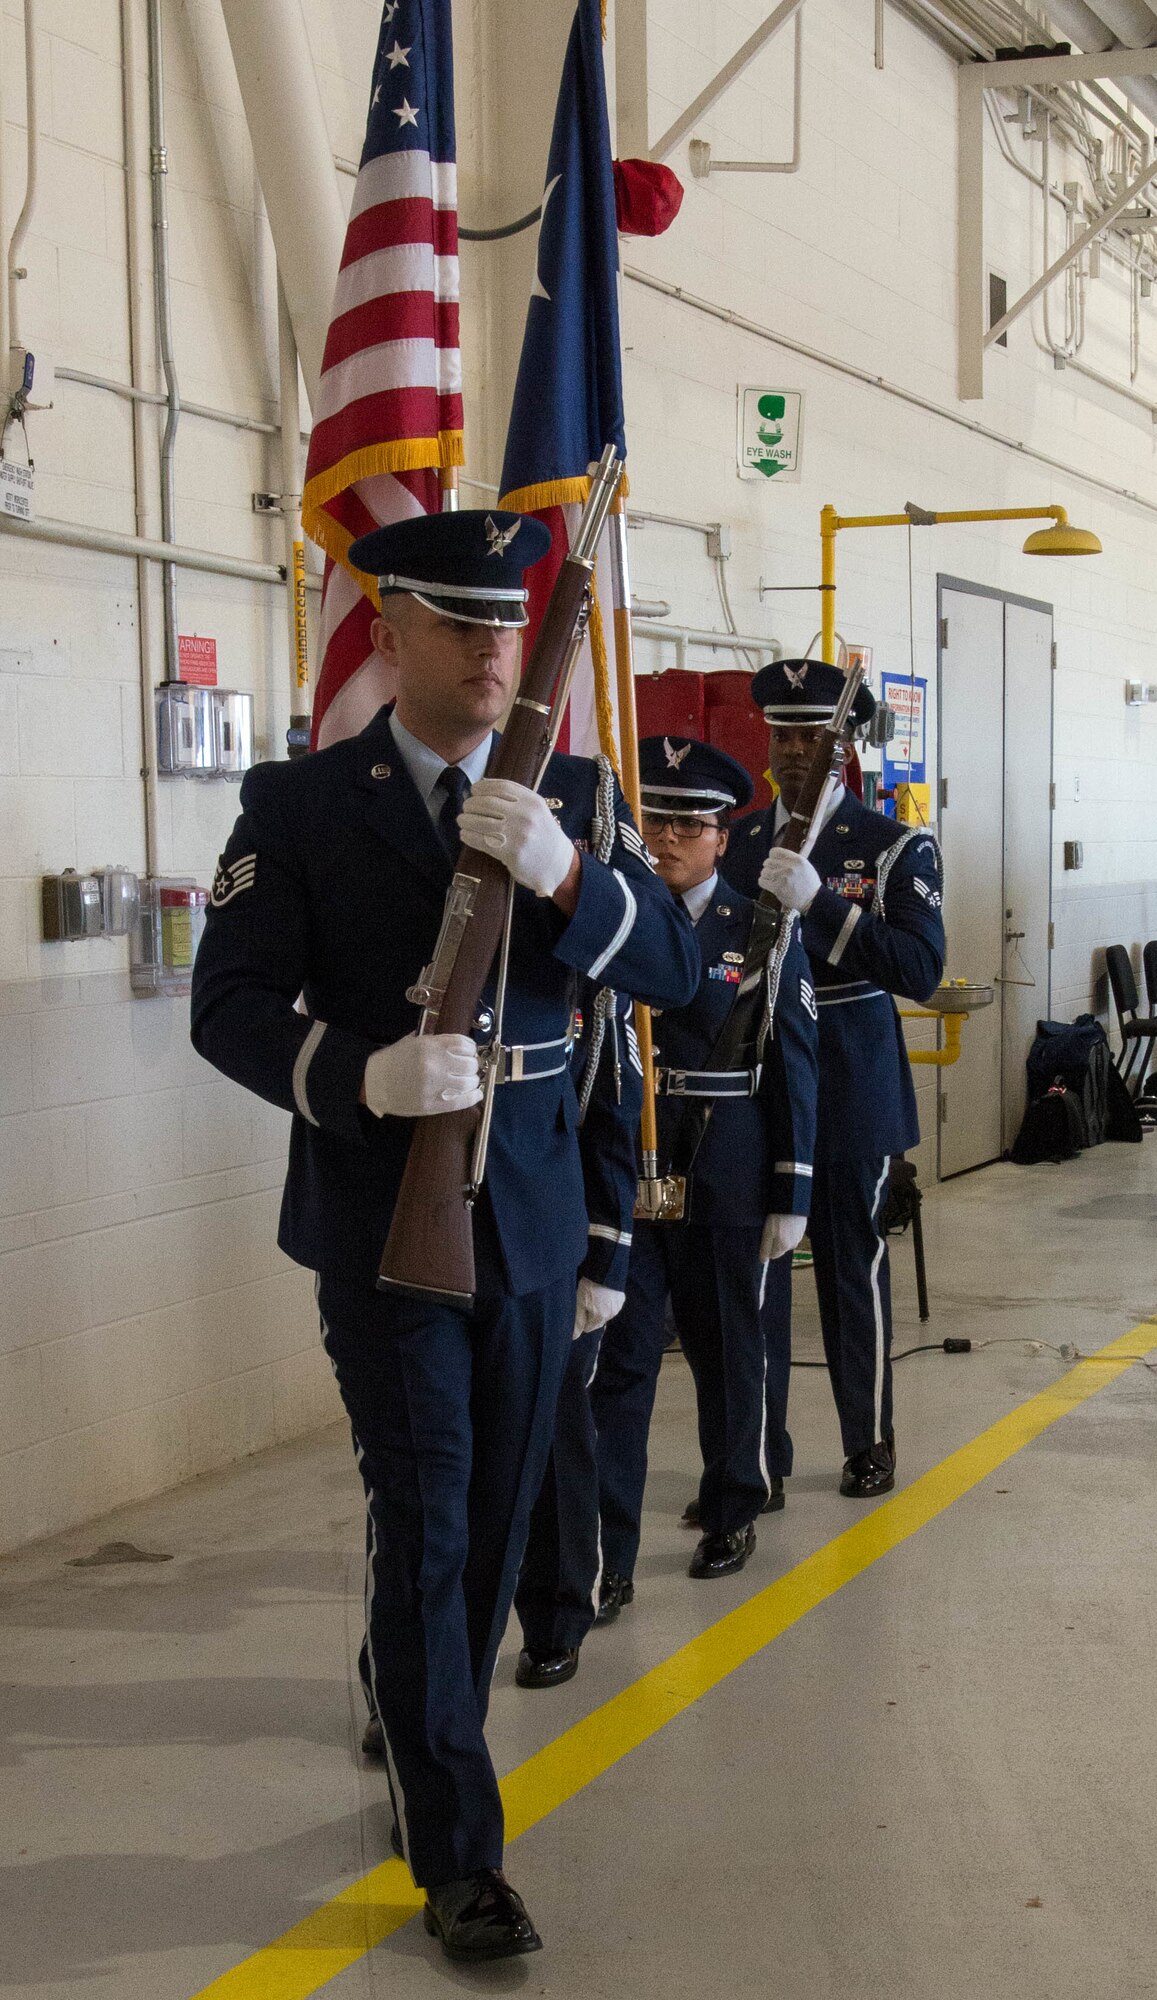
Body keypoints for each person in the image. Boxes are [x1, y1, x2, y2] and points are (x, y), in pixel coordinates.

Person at [190, 510, 698, 1965]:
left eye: (508, 625)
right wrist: (357, 1077)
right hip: (383, 1208)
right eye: (461, 623)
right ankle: (458, 1854)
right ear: (388, 632)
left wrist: (565, 874)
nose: (492, 649)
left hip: (532, 1208)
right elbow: (225, 1006)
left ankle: (416, 1709)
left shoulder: (582, 798)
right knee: (427, 1513)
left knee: (490, 1518)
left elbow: (675, 975)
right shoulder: (297, 804)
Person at [580, 734, 818, 1617]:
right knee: (622, 1359)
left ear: (724, 838)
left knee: (726, 1349)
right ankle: (607, 1552)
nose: (671, 838)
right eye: (655, 820)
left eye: (691, 824)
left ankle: (732, 1506)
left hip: (727, 1163)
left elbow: (793, 1061)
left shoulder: (758, 931)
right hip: (628, 1166)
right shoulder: (614, 918)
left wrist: (790, 1190)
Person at [722, 659, 946, 1499]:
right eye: (781, 734)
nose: (793, 752)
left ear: (843, 746)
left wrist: (825, 904)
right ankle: (759, 1458)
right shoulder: (739, 840)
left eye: (812, 736)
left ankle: (867, 1439)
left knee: (851, 1268)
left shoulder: (888, 847)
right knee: (757, 1275)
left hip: (852, 1083)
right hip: (758, 1082)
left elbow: (920, 969)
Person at [511, 985, 641, 1689]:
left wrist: (605, 1260)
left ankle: (557, 1619)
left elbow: (613, 1117)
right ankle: (404, 1668)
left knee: (560, 1436)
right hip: (444, 1236)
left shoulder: (585, 974)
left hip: (553, 1237)